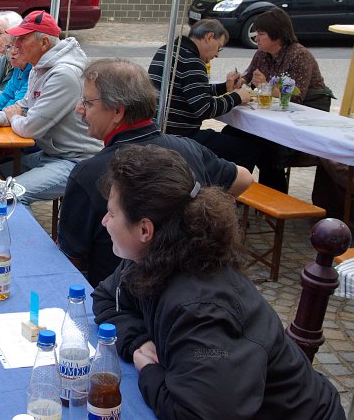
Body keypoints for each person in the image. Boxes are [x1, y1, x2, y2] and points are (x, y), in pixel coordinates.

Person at [92, 144, 346, 419]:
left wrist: (149, 370)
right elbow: (106, 298)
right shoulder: (151, 256)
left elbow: (196, 415)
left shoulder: (201, 311)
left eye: (112, 213)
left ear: (145, 229)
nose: (105, 221)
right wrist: (139, 342)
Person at [58, 59, 253, 286]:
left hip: (121, 294)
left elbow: (70, 260)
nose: (79, 109)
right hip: (192, 283)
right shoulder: (189, 147)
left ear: (118, 111)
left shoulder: (88, 174)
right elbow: (244, 178)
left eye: (87, 103)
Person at [0, 10, 102, 204]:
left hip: (76, 160)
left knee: (10, 195)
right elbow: (23, 106)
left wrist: (12, 117)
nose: (15, 44)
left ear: (44, 43)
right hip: (51, 154)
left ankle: (23, 225)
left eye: (22, 39)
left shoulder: (63, 74)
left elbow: (31, 128)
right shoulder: (39, 67)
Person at [227, 7, 335, 192]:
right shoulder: (262, 53)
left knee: (267, 148)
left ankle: (271, 198)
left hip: (300, 119)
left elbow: (296, 96)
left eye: (261, 34)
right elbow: (249, 74)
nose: (256, 38)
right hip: (272, 115)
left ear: (277, 36)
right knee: (231, 134)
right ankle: (234, 188)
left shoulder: (299, 56)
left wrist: (266, 85)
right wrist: (239, 80)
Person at [147, 19, 258, 171]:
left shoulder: (165, 50)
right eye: (219, 47)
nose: (217, 55)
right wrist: (238, 97)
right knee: (248, 150)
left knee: (231, 138)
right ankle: (227, 184)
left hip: (157, 131)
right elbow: (205, 109)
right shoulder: (193, 61)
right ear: (209, 37)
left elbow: (190, 91)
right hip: (179, 137)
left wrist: (224, 88)